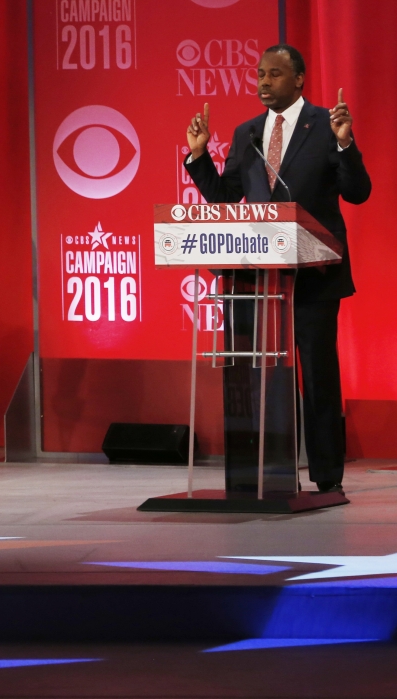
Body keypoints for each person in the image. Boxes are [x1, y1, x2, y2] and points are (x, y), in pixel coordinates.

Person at [184, 44, 371, 494]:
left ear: (299, 79)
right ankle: (261, 471)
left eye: (274, 74)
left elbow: (358, 192)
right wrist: (198, 157)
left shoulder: (326, 126)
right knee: (258, 375)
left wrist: (345, 142)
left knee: (318, 376)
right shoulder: (247, 132)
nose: (263, 82)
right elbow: (225, 199)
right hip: (256, 277)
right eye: (260, 74)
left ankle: (327, 476)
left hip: (313, 276)